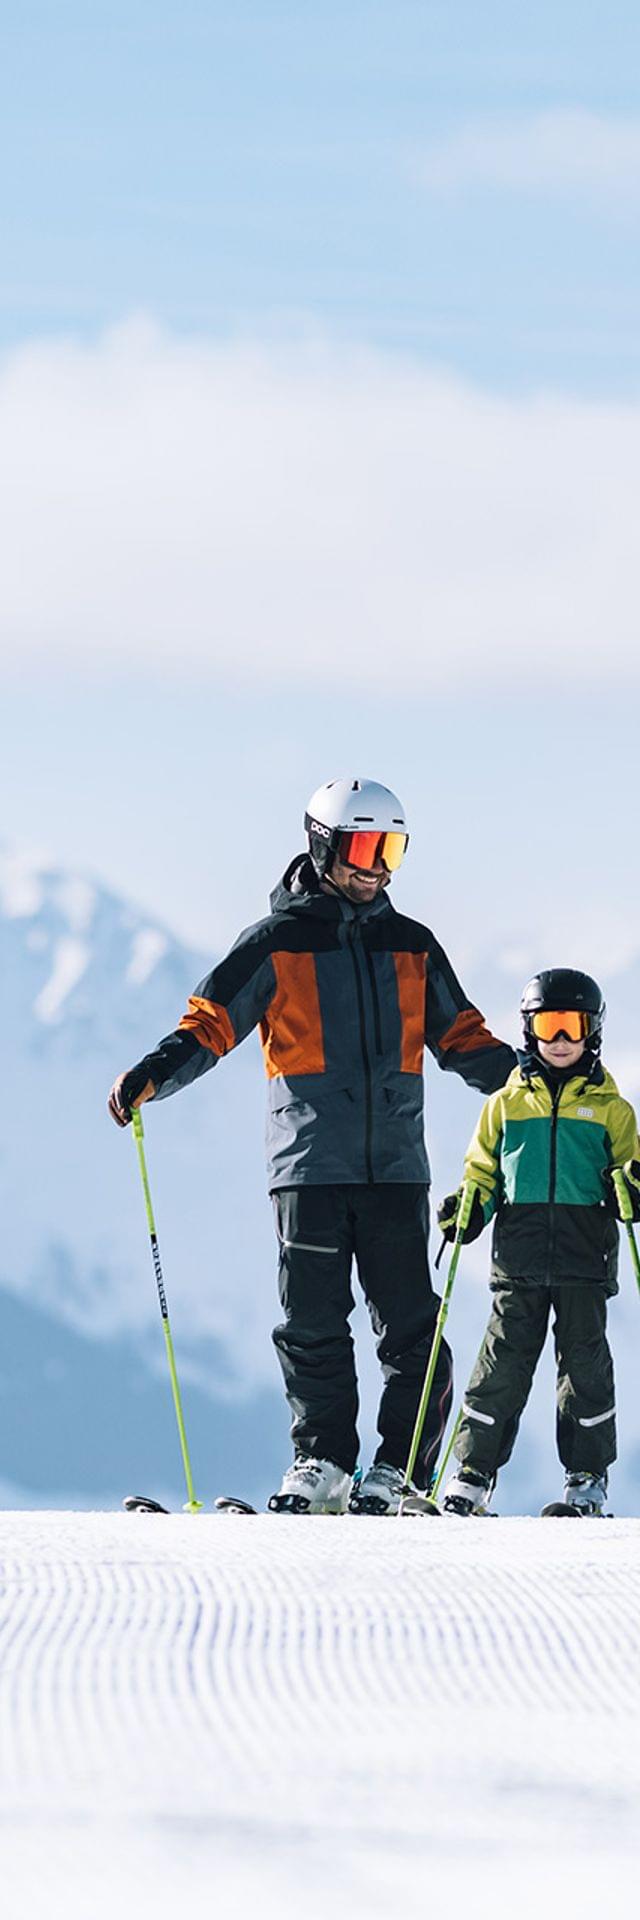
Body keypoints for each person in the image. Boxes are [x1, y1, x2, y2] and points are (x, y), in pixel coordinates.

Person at [108, 777, 516, 1514]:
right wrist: (154, 1075)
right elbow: (209, 1025)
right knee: (312, 1322)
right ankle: (323, 1458)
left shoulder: (412, 946)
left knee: (411, 1326)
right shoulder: (277, 942)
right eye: (365, 847)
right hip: (308, 1166)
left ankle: (400, 1469)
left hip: (395, 1169)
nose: (380, 866)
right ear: (323, 845)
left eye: (393, 848)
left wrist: (527, 1083)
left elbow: (462, 1038)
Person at [437, 967, 640, 1516]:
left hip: (583, 1262)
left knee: (585, 1371)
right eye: (548, 1026)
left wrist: (633, 1187)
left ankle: (586, 1477)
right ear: (529, 1030)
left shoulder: (611, 1110)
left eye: (571, 1026)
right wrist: (469, 1210)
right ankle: (472, 1475)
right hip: (518, 1261)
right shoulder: (506, 1106)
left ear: (592, 1030)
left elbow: (631, 1168)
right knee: (500, 1368)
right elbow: (482, 1172)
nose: (560, 1041)